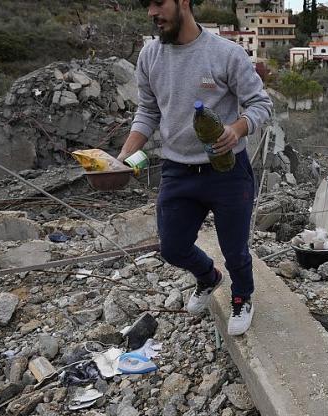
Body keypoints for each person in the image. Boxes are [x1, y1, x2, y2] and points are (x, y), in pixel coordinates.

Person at [119, 0, 273, 336]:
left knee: (235, 249)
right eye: (148, 5)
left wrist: (237, 128)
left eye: (159, 3)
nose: (151, 13)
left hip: (227, 170)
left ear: (184, 2)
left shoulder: (226, 53)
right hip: (177, 170)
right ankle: (208, 277)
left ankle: (242, 296)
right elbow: (147, 114)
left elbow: (261, 104)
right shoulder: (149, 57)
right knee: (172, 247)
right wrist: (121, 159)